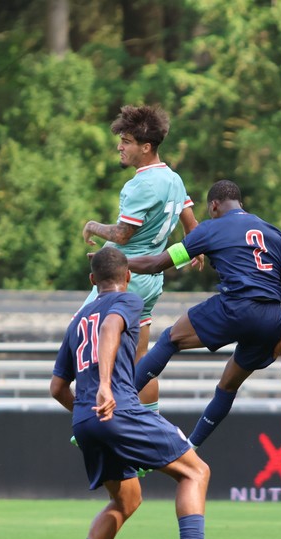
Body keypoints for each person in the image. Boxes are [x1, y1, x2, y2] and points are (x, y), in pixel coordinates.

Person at [50, 247, 227, 539]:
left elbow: (56, 388)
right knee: (196, 471)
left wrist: (89, 411)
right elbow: (112, 327)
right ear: (128, 276)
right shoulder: (127, 301)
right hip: (121, 409)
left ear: (91, 280)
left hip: (87, 421)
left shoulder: (77, 320)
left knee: (126, 500)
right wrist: (104, 389)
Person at [126, 179, 281, 449]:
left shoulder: (210, 229)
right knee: (228, 387)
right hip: (272, 320)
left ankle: (117, 403)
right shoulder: (275, 234)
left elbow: (157, 264)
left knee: (170, 339)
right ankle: (191, 447)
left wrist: (118, 262)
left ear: (214, 205)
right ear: (240, 204)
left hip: (236, 306)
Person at [80, 104, 202, 413]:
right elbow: (192, 226)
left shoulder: (139, 185)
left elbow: (123, 235)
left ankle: (91, 417)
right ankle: (151, 424)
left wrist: (93, 225)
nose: (119, 147)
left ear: (145, 147)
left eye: (127, 141)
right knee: (140, 359)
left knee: (83, 340)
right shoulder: (173, 179)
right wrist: (195, 251)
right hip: (151, 280)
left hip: (123, 281)